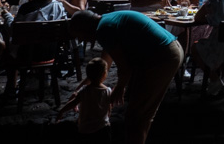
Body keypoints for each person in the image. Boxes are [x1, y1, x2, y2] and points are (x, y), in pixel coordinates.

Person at [68, 9, 184, 144]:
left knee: (137, 116)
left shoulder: (104, 29)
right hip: (170, 50)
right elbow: (104, 64)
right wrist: (79, 90)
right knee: (139, 114)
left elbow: (125, 68)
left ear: (85, 28)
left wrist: (120, 87)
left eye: (80, 35)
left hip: (162, 56)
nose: (81, 39)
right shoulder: (106, 21)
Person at [57, 57, 113, 142]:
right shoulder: (107, 91)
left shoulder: (83, 90)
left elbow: (73, 102)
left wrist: (62, 111)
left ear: (88, 75)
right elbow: (109, 111)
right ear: (105, 74)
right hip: (103, 129)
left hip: (85, 130)